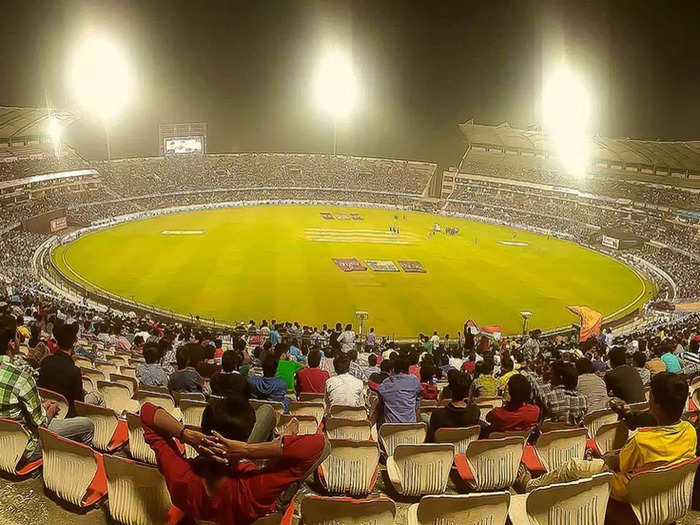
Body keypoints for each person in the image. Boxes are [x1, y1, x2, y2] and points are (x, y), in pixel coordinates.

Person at [140, 396, 330, 524]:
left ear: (202, 428)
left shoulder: (178, 474)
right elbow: (321, 445)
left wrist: (186, 434)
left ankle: (278, 444)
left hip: (209, 494)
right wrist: (248, 450)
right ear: (244, 439)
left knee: (266, 412)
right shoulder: (254, 487)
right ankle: (279, 444)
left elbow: (147, 412)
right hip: (252, 501)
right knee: (269, 415)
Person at [523, 373, 696, 503]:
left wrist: (608, 457)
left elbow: (615, 463)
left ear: (655, 402)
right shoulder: (690, 431)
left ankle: (529, 484)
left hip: (623, 490)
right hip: (655, 484)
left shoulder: (643, 441)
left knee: (572, 466)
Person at [0, 315, 94, 462]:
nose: (20, 340)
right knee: (87, 425)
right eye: (17, 336)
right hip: (22, 449)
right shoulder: (22, 379)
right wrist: (50, 410)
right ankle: (75, 467)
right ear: (11, 343)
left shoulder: (37, 367)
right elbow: (41, 423)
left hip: (8, 438)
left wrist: (41, 406)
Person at [37, 322, 85, 416]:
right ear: (74, 342)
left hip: (44, 409)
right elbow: (79, 404)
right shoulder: (74, 371)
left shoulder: (46, 361)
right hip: (65, 415)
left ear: (58, 342)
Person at [426, 372, 479, 442]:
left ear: (450, 389)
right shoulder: (475, 411)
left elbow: (430, 440)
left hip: (444, 451)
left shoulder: (438, 415)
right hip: (467, 450)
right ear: (468, 390)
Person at [375, 355, 423, 425]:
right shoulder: (414, 380)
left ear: (393, 369)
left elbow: (379, 398)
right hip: (411, 428)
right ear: (408, 368)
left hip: (390, 431)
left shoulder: (386, 383)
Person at [541, 361, 588, 425]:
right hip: (576, 433)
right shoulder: (583, 398)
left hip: (555, 433)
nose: (550, 378)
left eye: (552, 374)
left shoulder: (548, 397)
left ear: (560, 377)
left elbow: (541, 423)